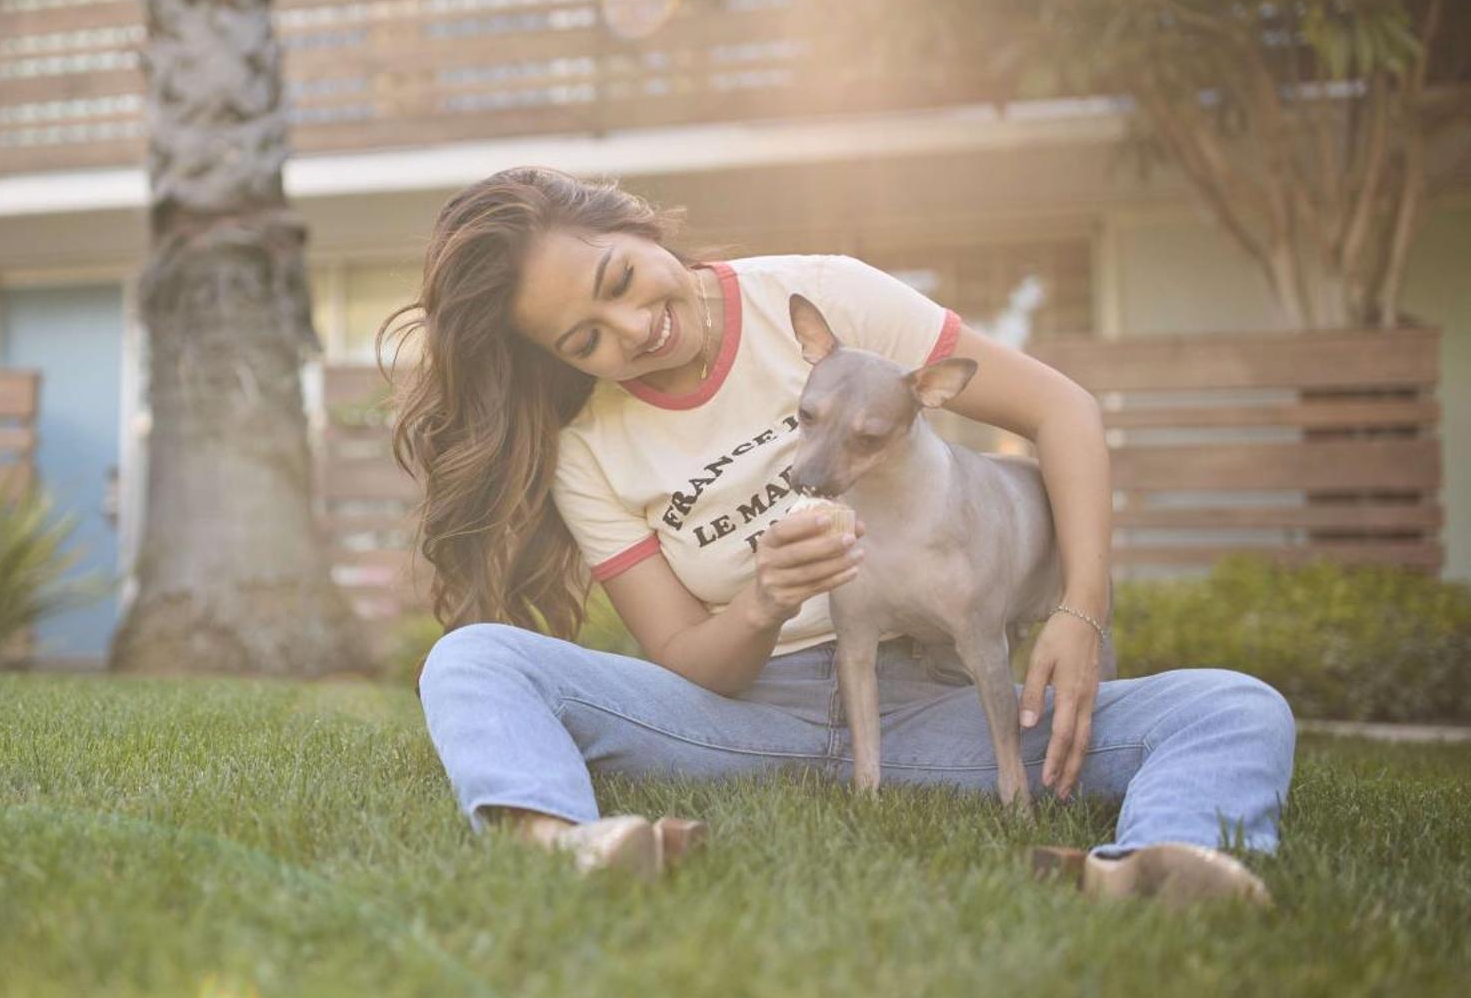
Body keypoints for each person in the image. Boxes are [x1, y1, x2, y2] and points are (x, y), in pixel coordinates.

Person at [383, 167, 1295, 902]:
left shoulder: (826, 297)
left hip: (937, 703)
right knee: (475, 661)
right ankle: (562, 846)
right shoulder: (588, 450)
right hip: (741, 721)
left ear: (639, 228)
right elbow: (686, 657)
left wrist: (1080, 611)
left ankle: (1151, 868)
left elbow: (1061, 411)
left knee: (1232, 706)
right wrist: (764, 600)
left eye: (619, 280)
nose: (632, 327)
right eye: (585, 340)